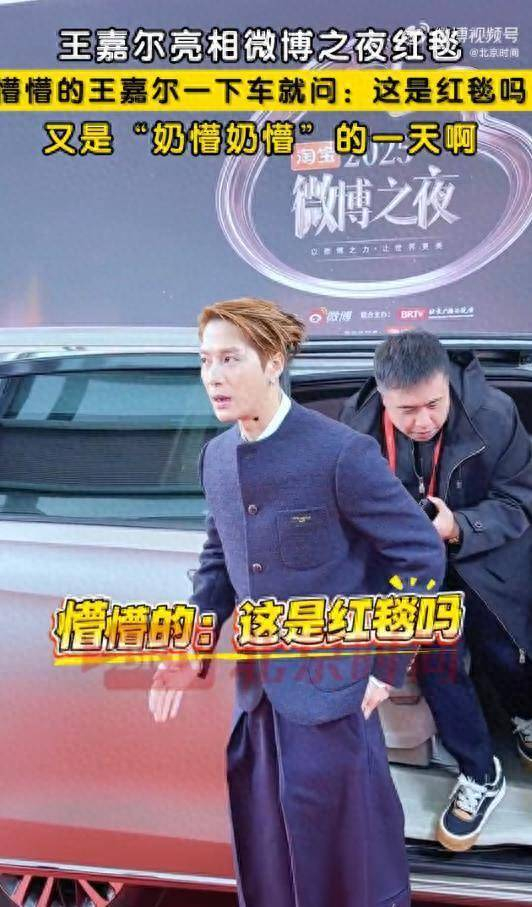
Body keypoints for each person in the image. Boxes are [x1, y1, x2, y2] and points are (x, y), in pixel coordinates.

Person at [148, 299, 446, 907]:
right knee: (269, 853)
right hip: (258, 697)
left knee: (349, 863)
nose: (213, 376)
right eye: (205, 360)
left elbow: (419, 553)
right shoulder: (217, 457)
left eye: (230, 359)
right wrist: (192, 644)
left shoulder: (340, 453)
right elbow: (219, 560)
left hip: (333, 696)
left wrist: (385, 667)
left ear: (273, 362)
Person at [340, 330, 532, 852]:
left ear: (447, 384)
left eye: (434, 404)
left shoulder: (493, 413)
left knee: (504, 652)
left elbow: (520, 502)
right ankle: (480, 772)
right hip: (410, 570)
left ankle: (524, 718)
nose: (423, 421)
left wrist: (457, 526)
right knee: (439, 665)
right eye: (407, 410)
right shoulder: (355, 431)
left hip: (484, 557)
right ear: (383, 396)